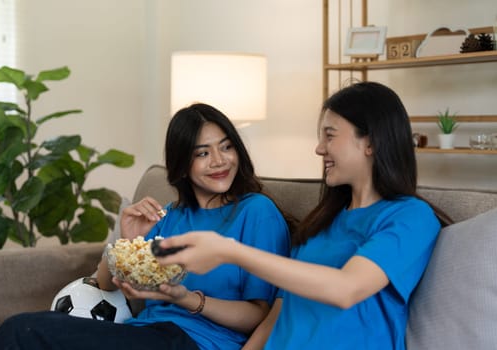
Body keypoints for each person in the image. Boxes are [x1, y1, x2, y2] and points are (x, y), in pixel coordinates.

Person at [156, 81, 452, 350]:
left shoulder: (409, 217)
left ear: (371, 142)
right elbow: (277, 317)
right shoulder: (320, 223)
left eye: (330, 136)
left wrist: (231, 252)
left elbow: (346, 289)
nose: (319, 148)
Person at [0, 103, 291, 350]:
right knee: (27, 331)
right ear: (182, 164)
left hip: (198, 343)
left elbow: (259, 315)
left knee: (24, 332)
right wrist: (128, 242)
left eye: (226, 147)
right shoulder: (168, 215)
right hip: (146, 334)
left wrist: (185, 298)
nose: (220, 161)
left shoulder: (256, 212)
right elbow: (105, 286)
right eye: (203, 153)